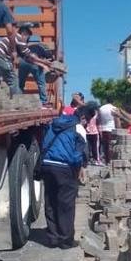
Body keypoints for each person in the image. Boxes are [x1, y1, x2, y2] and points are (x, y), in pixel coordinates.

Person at [40, 105, 88, 249]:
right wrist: (79, 169)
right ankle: (65, 240)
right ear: (83, 118)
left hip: (47, 165)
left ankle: (53, 238)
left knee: (50, 201)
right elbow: (78, 154)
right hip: (64, 167)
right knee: (65, 204)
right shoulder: (79, 128)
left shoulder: (54, 123)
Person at [16, 25, 54, 107]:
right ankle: (44, 101)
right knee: (41, 82)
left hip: (23, 61)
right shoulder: (45, 48)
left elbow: (20, 55)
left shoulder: (28, 46)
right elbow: (50, 61)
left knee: (21, 83)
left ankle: (17, 100)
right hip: (34, 61)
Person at [98, 98, 119, 164]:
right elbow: (116, 120)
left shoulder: (101, 108)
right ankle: (110, 160)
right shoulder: (114, 108)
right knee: (111, 145)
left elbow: (99, 119)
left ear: (106, 101)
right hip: (111, 129)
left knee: (105, 146)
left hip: (103, 129)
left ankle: (107, 160)